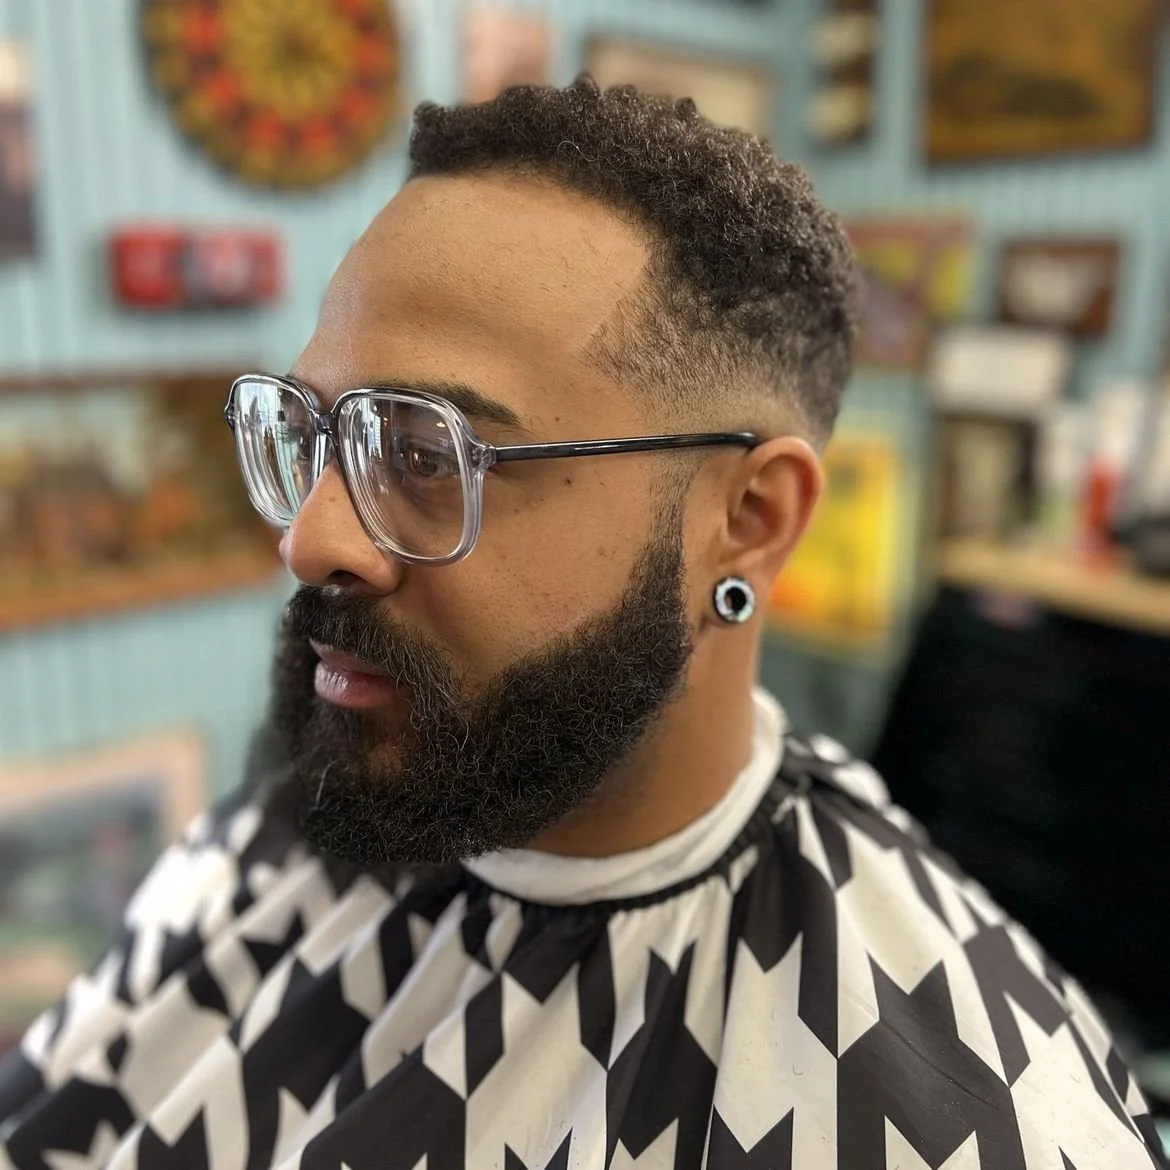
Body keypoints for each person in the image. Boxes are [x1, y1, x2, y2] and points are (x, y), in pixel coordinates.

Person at [0, 78, 1163, 1170]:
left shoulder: (976, 1121)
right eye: (313, 433)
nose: (310, 539)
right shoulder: (305, 814)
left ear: (750, 520)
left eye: (425, 453)